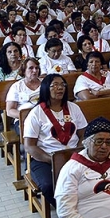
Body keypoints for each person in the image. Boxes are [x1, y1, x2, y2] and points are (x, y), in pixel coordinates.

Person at [24, 74, 88, 206]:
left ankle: (82, 205)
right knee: (48, 185)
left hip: (73, 155)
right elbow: (30, 146)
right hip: (46, 158)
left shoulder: (73, 108)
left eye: (62, 85)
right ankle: (65, 209)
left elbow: (83, 134)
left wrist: (78, 153)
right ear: (46, 88)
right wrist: (52, 160)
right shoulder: (36, 113)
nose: (60, 88)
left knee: (88, 178)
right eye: (55, 85)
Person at [6, 58, 41, 133]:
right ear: (24, 70)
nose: (35, 71)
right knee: (31, 132)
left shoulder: (45, 84)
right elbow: (9, 111)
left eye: (37, 68)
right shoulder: (16, 87)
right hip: (23, 119)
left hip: (43, 117)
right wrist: (27, 116)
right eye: (31, 68)